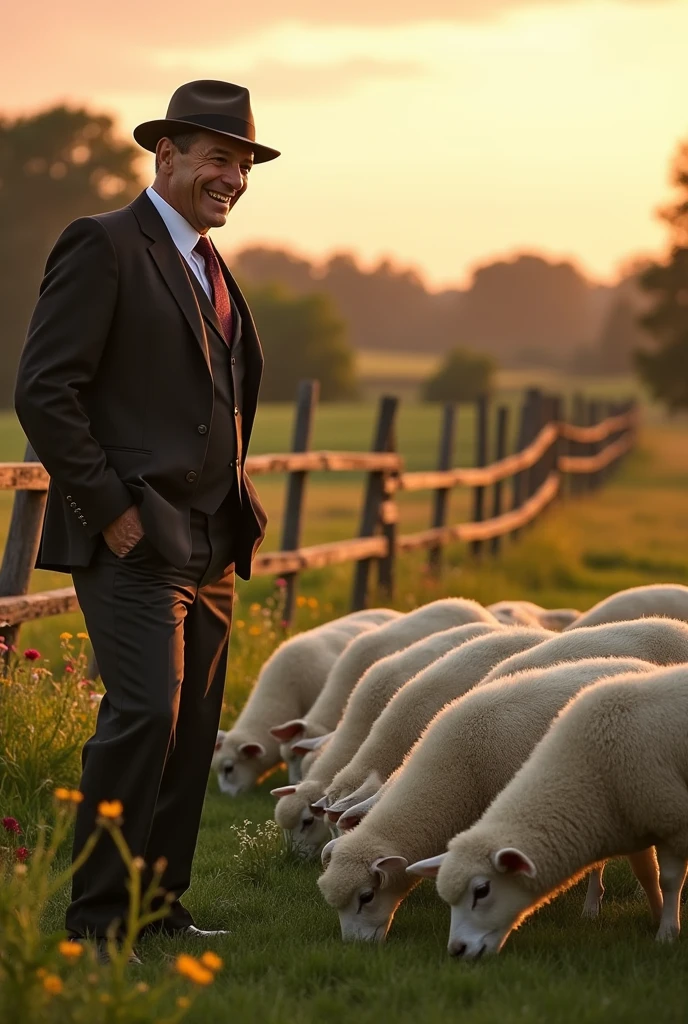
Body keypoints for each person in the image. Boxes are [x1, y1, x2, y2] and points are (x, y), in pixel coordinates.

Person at [14, 80, 280, 959]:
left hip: (211, 542)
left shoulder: (212, 264)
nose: (232, 177)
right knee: (142, 721)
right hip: (133, 538)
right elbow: (45, 391)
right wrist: (112, 511)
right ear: (164, 155)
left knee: (192, 732)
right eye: (217, 159)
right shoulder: (103, 245)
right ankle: (95, 925)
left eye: (242, 164)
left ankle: (156, 910)